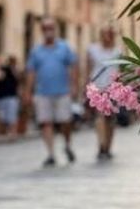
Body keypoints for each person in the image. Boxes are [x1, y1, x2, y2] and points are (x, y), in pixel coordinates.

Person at [23, 17, 78, 167]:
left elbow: (73, 66)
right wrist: (28, 92)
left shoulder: (64, 47)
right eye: (45, 28)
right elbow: (31, 72)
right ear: (42, 30)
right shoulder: (36, 51)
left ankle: (67, 145)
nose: (48, 31)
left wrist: (74, 86)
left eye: (51, 28)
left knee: (65, 121)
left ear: (55, 29)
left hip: (63, 91)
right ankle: (51, 154)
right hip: (42, 92)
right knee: (45, 122)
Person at [86, 23, 122, 160]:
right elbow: (88, 68)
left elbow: (120, 71)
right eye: (105, 33)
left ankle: (108, 147)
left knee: (110, 119)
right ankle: (101, 144)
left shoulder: (117, 52)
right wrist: (87, 86)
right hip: (97, 87)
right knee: (100, 116)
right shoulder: (93, 49)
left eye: (110, 33)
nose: (107, 36)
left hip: (112, 89)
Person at [0, 54, 20, 137]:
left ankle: (12, 134)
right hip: (1, 97)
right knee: (0, 116)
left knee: (11, 117)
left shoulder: (10, 70)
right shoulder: (3, 69)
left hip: (10, 96)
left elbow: (0, 77)